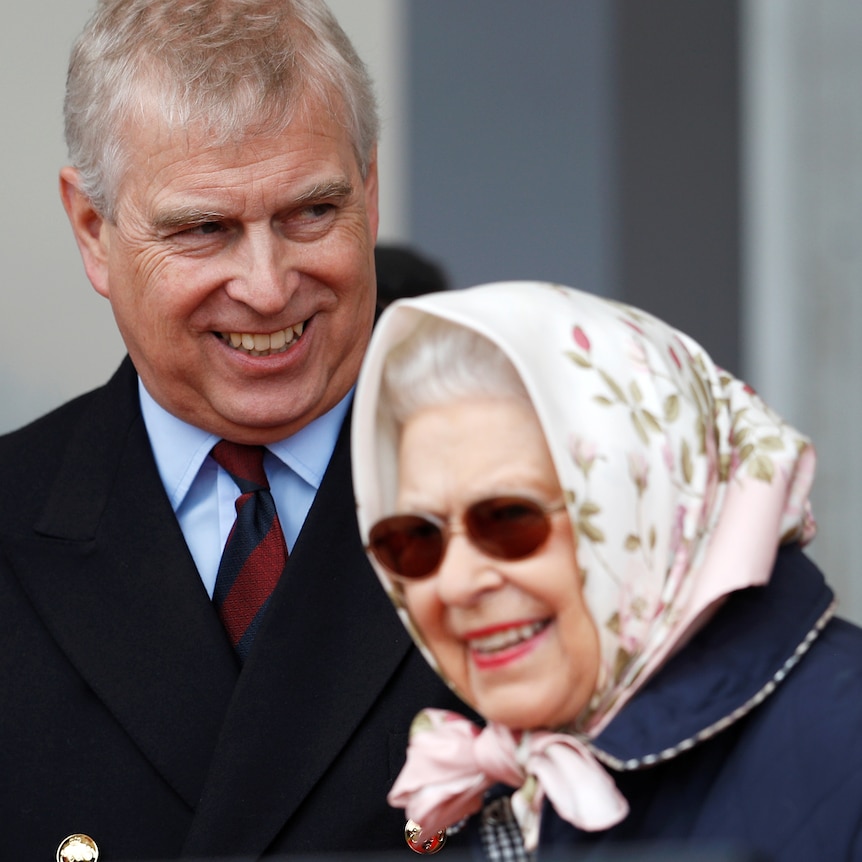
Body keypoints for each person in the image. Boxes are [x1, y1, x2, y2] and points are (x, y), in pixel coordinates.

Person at [0, 1, 470, 858]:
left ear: (369, 187)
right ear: (93, 230)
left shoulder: (545, 500)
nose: (266, 285)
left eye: (312, 213)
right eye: (204, 229)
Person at [351, 280, 862, 861]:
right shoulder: (478, 777)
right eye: (415, 538)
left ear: (646, 505)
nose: (457, 583)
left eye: (510, 519)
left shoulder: (845, 736)